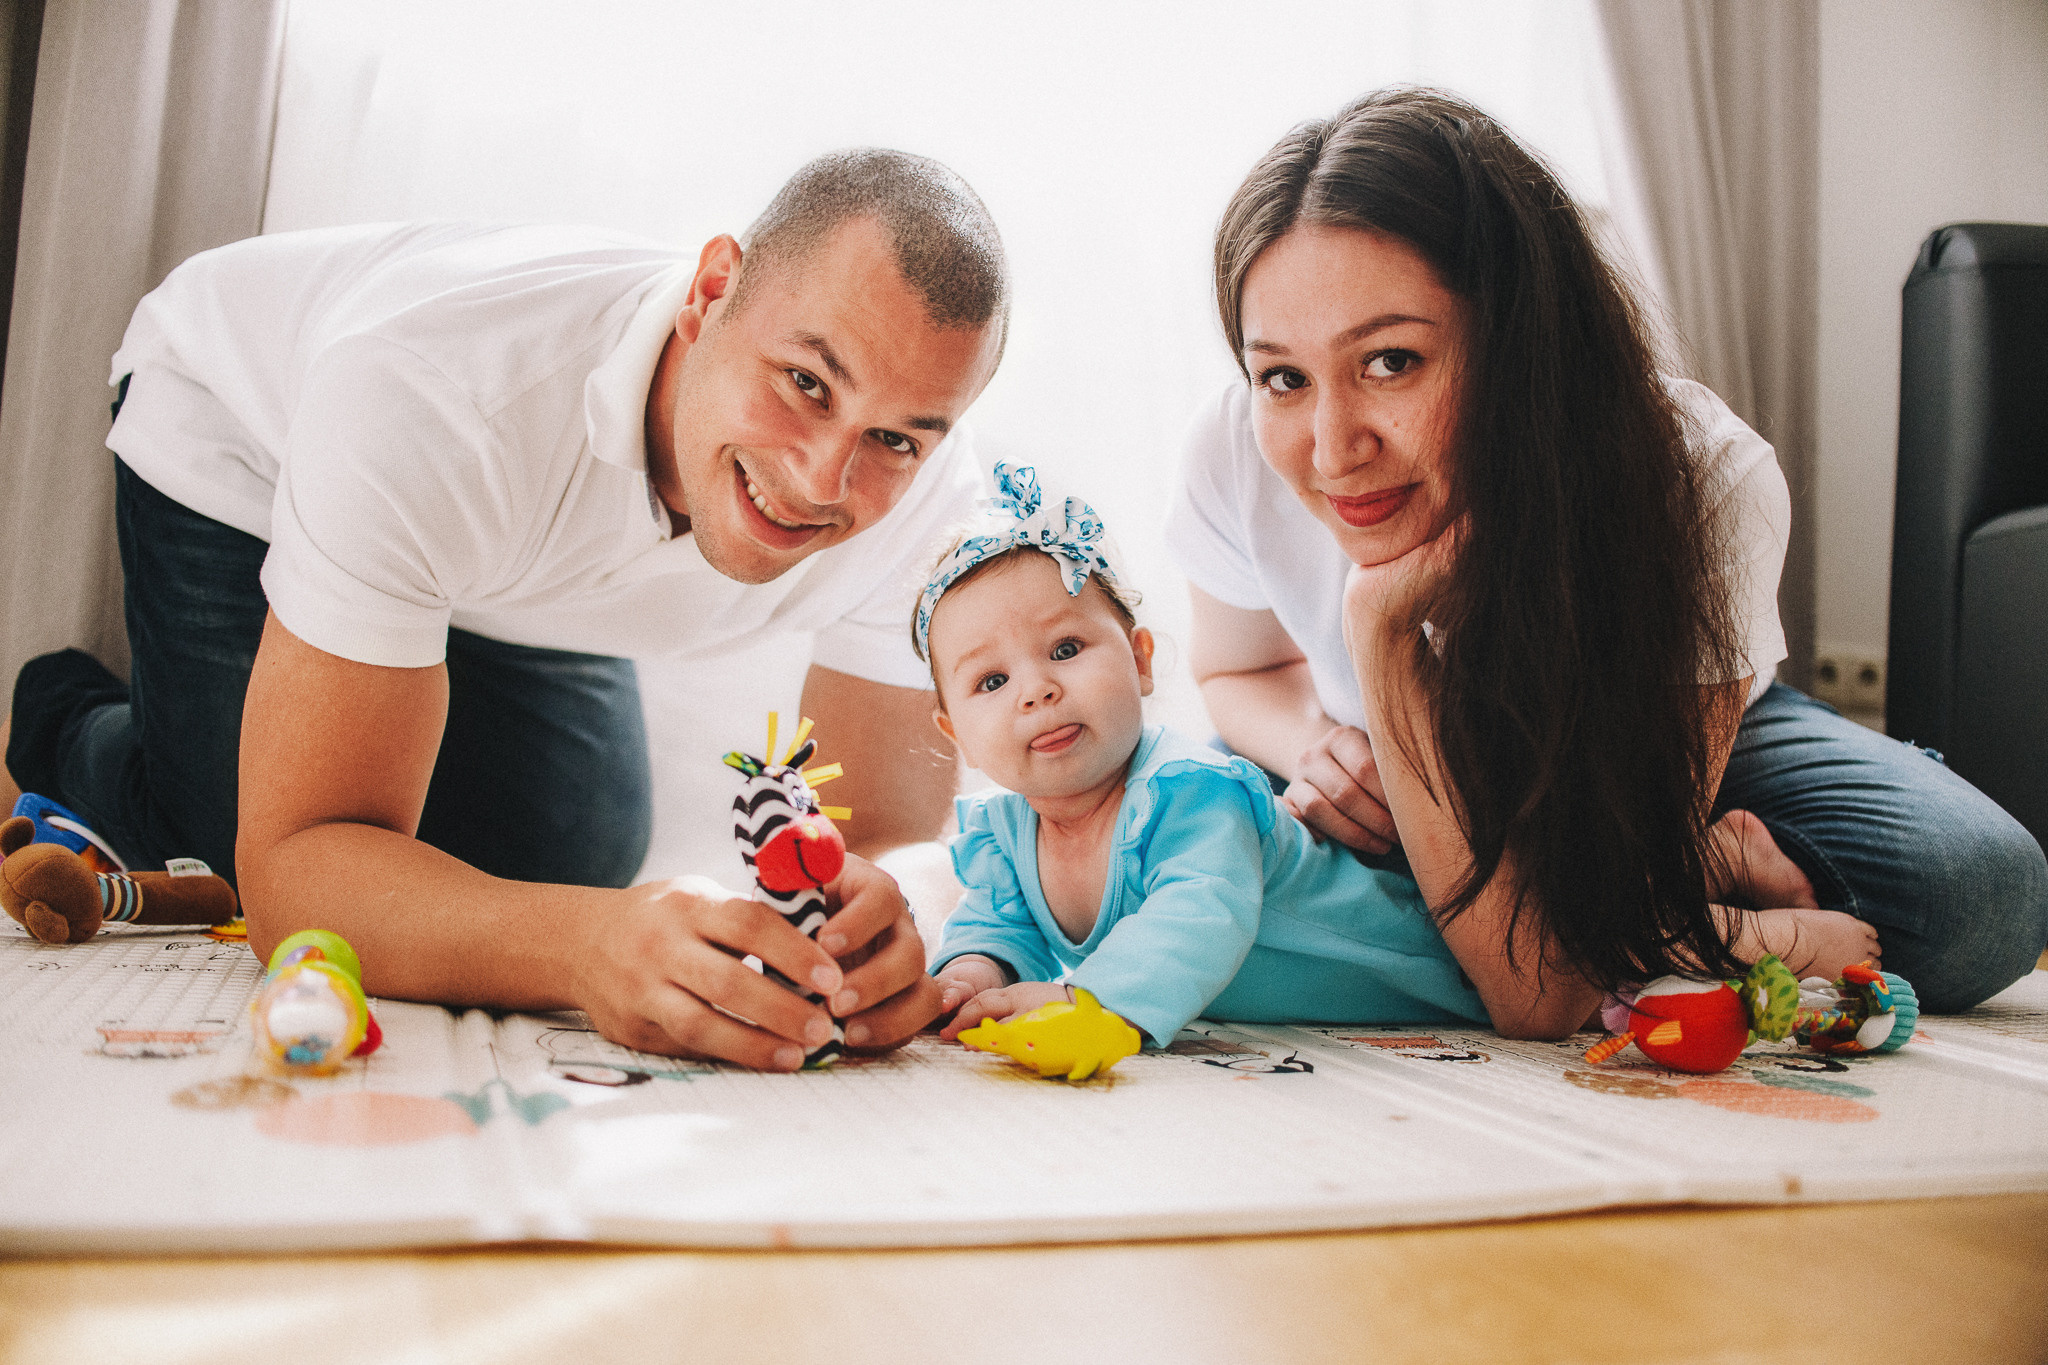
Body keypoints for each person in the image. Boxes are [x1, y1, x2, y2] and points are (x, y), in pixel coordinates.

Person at [2, 149, 1008, 1069]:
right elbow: (297, 864)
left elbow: (877, 829)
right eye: (802, 382)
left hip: (501, 548)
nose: (823, 480)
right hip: (245, 438)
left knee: (570, 847)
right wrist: (585, 947)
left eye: (897, 439)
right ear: (710, 293)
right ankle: (61, 722)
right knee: (243, 836)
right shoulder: (431, 392)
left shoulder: (929, 505)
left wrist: (895, 918)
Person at [1171, 88, 2047, 1036]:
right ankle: (1701, 894)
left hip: (1657, 737)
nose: (1333, 446)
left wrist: (1381, 628)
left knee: (1979, 896)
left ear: (1519, 338)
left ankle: (1672, 863)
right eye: (1284, 377)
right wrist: (1318, 744)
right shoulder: (1234, 442)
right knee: (1166, 856)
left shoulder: (1700, 473)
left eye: (1391, 361)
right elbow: (1235, 668)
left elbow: (1537, 996)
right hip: (1382, 756)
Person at [918, 464, 1487, 1046]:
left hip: (1448, 971)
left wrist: (1085, 1000)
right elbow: (996, 926)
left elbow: (1202, 913)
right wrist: (967, 978)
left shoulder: (1189, 790)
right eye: (991, 681)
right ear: (955, 732)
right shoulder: (1004, 835)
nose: (1036, 690)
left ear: (1141, 661)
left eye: (1065, 648)